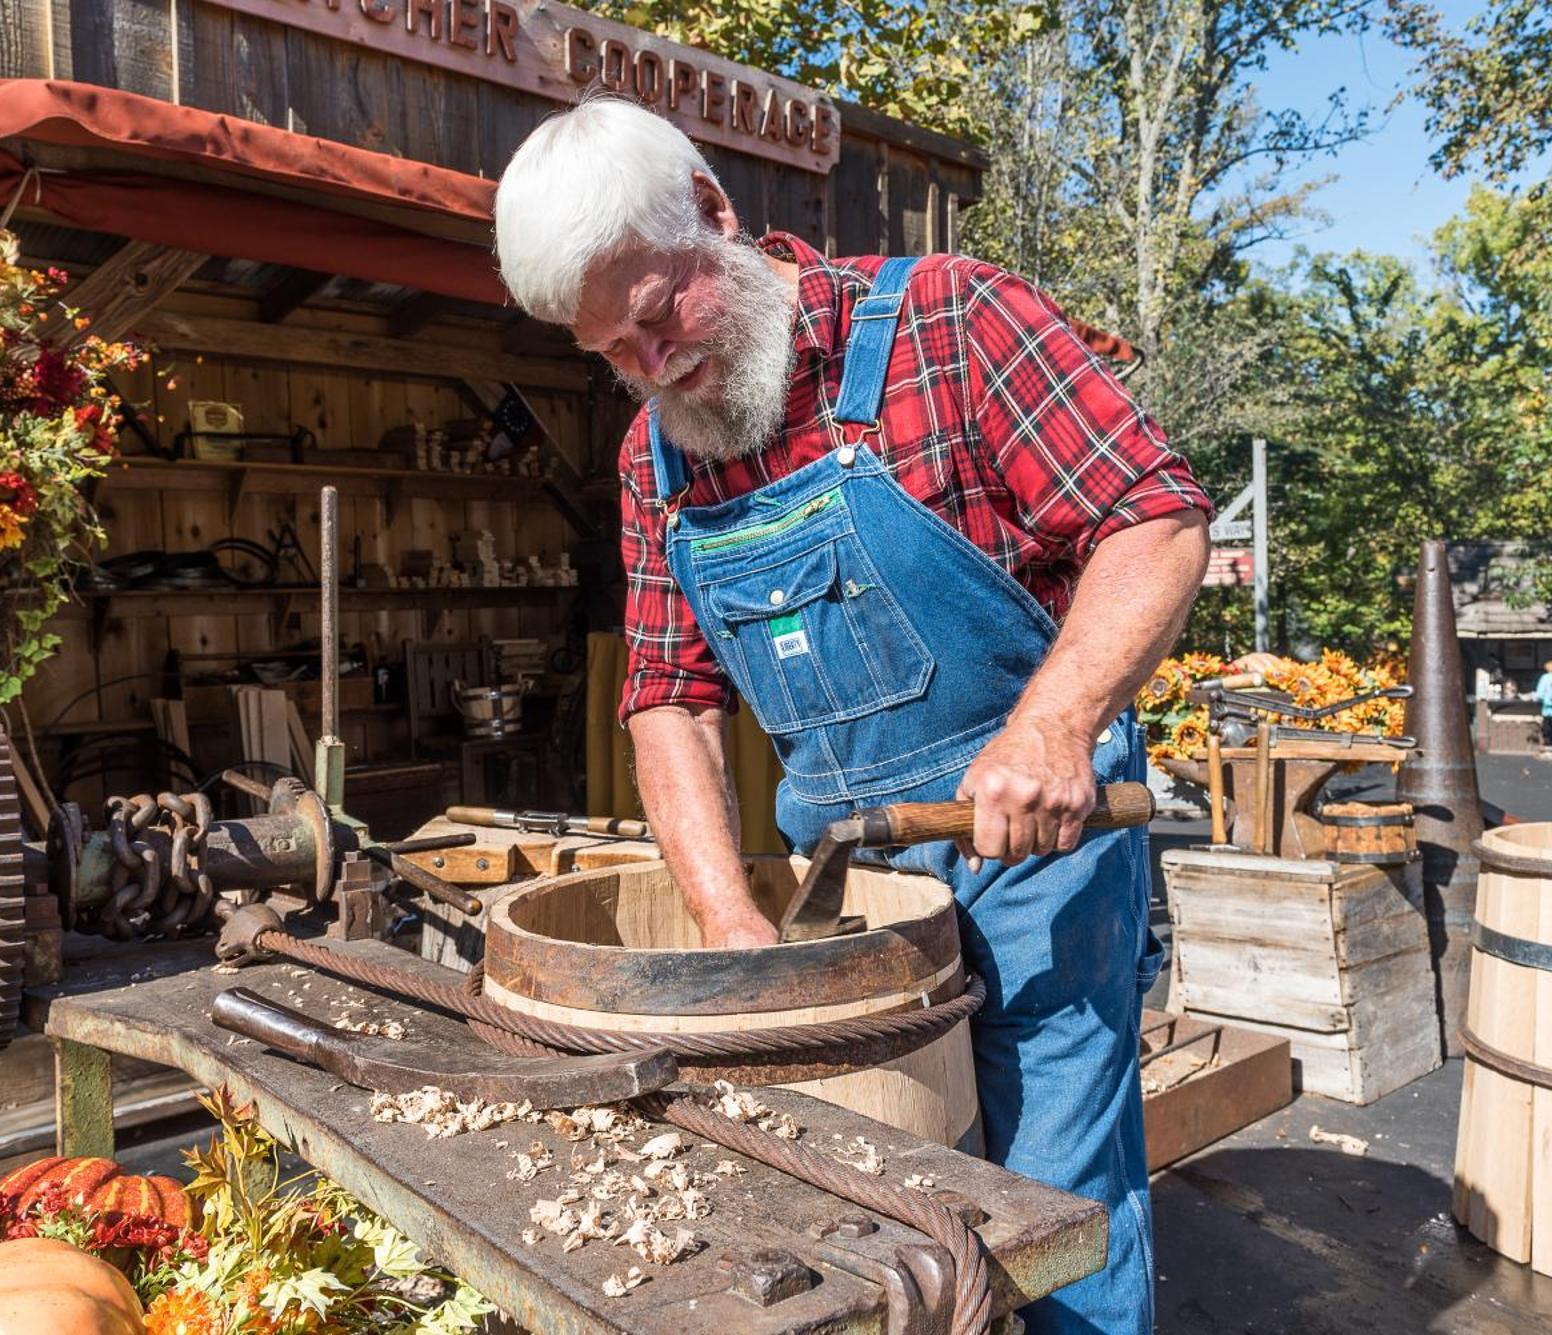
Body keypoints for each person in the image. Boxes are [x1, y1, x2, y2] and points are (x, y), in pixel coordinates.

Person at [494, 99, 1212, 1332]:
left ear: (717, 216)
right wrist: (729, 919)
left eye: (660, 315)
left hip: (1028, 848)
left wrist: (1050, 730)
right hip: (841, 877)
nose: (650, 367)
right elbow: (667, 699)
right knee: (854, 1214)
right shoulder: (649, 458)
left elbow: (1152, 516)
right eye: (607, 349)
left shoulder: (951, 319)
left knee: (1048, 1192)